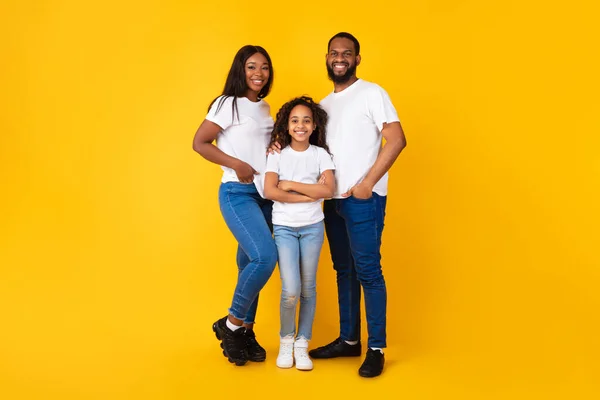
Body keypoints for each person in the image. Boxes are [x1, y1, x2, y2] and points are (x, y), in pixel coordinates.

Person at [270, 32, 407, 377]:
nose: (340, 58)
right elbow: (304, 146)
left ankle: (375, 347)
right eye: (334, 53)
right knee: (344, 271)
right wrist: (275, 145)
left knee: (368, 272)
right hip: (331, 204)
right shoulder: (324, 106)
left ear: (357, 59)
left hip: (363, 201)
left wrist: (367, 184)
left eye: (347, 53)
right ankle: (349, 340)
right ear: (327, 58)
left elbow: (397, 138)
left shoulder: (372, 93)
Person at [192, 45, 277, 366]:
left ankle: (245, 332)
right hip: (237, 193)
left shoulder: (266, 107)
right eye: (252, 66)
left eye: (265, 68)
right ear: (240, 70)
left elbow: (262, 147)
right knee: (264, 257)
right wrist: (237, 164)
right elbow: (199, 142)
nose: (258, 73)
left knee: (248, 266)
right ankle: (230, 324)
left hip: (265, 196)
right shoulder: (227, 104)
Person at [263, 96, 335, 371]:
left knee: (308, 288)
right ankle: (286, 340)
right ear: (287, 125)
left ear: (314, 125)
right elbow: (271, 191)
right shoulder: (277, 154)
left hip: (313, 227)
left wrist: (291, 185)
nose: (300, 125)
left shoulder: (321, 155)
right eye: (295, 121)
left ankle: (302, 344)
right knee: (290, 289)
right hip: (284, 228)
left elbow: (327, 191)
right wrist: (309, 194)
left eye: (306, 120)